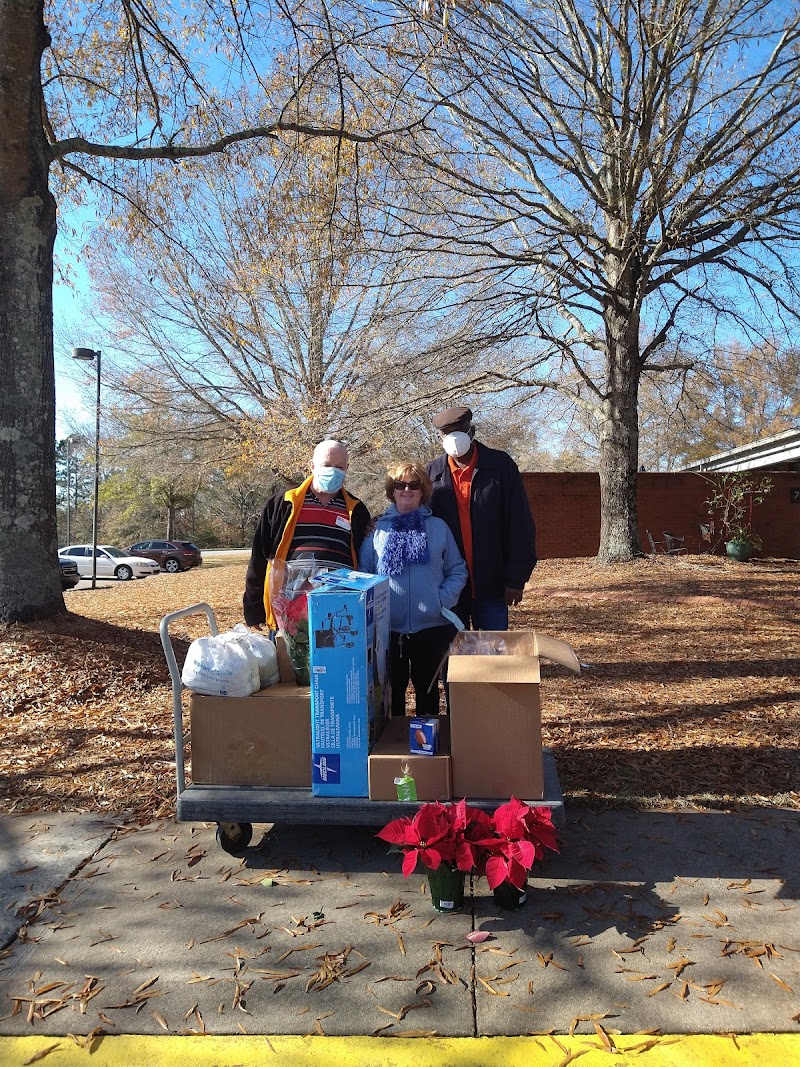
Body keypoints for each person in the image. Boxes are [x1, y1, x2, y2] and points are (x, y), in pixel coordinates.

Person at [358, 461, 468, 717]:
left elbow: (457, 570)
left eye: (414, 485)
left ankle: (427, 752)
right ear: (392, 490)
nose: (407, 490)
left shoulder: (438, 528)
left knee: (427, 690)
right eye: (400, 485)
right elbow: (363, 575)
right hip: (388, 629)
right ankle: (393, 750)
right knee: (391, 692)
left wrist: (440, 600)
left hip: (431, 626)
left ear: (423, 490)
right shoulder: (378, 530)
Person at [426, 405, 537, 630]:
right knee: (454, 658)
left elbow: (520, 524)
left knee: (492, 656)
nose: (454, 440)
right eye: (447, 434)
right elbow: (415, 517)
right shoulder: (432, 474)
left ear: (472, 431)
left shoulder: (500, 466)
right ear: (440, 438)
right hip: (450, 589)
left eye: (460, 432)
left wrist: (516, 579)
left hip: (493, 586)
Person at [243, 439, 370, 629]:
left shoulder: (357, 510)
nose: (333, 471)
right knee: (289, 659)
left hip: (339, 612)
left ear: (347, 469)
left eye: (339, 467)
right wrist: (254, 609)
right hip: (288, 610)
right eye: (326, 465)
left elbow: (365, 559)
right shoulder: (283, 503)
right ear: (312, 466)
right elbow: (259, 558)